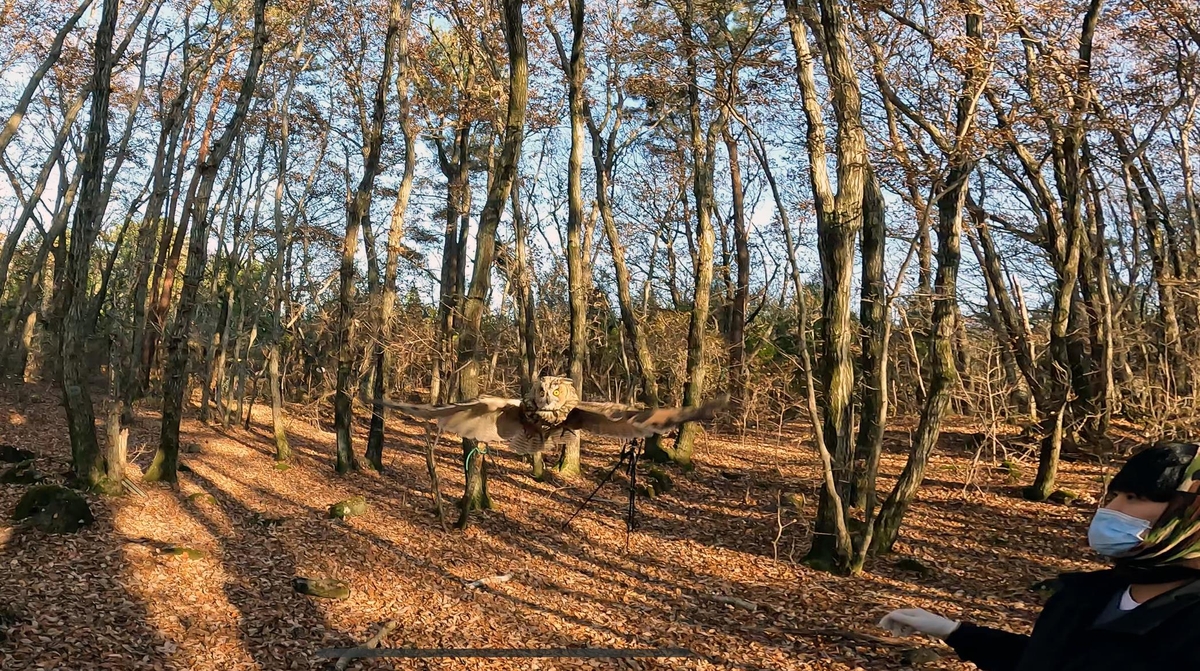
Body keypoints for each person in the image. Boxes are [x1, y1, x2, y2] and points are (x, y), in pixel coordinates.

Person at [877, 441, 1200, 670]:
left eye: (1134, 498)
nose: (1110, 510)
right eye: (1112, 496)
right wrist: (954, 631)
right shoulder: (1083, 595)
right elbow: (1047, 659)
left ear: (1190, 514)